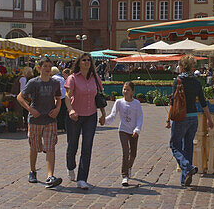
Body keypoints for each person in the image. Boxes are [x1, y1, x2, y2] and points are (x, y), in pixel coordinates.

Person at [166, 53, 214, 188]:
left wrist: (168, 119)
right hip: (194, 118)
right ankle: (185, 179)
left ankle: (187, 167)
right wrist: (209, 120)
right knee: (188, 147)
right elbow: (204, 103)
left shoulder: (178, 81)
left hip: (181, 117)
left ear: (181, 66)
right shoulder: (197, 82)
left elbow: (173, 101)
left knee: (174, 145)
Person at [17, 56, 63, 189]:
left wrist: (57, 108)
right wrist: (30, 109)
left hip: (50, 120)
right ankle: (32, 171)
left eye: (49, 66)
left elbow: (58, 98)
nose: (48, 69)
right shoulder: (33, 82)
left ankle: (50, 176)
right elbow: (20, 97)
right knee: (34, 147)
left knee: (50, 147)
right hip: (35, 120)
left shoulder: (55, 83)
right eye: (45, 66)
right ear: (39, 68)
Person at [64, 53, 105, 190]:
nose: (87, 62)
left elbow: (99, 97)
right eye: (84, 60)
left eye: (89, 60)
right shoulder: (73, 78)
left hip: (90, 116)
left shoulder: (95, 78)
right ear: (79, 62)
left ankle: (82, 179)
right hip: (75, 116)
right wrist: (70, 110)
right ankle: (71, 166)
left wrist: (103, 114)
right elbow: (67, 97)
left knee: (87, 147)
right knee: (72, 145)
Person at [104, 80, 143, 186]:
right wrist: (105, 120)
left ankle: (129, 166)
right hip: (123, 130)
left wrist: (137, 130)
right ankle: (124, 175)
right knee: (125, 151)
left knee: (133, 154)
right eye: (124, 89)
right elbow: (113, 115)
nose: (125, 91)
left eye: (128, 89)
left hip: (133, 131)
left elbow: (140, 118)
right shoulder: (119, 102)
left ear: (132, 92)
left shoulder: (136, 103)